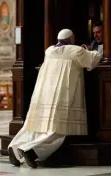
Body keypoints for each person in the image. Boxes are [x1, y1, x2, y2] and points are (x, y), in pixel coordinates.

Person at [8, 29, 102, 168]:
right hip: (62, 96)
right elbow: (93, 60)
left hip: (45, 95)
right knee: (58, 131)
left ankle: (15, 146)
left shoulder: (49, 50)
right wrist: (89, 50)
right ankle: (31, 151)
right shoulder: (76, 51)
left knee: (35, 127)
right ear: (71, 39)